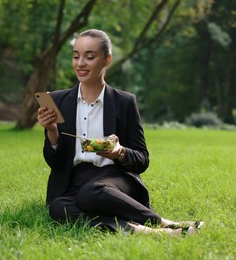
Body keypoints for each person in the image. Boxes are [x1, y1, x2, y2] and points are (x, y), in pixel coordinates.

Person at [36, 29, 202, 236]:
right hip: (73, 181)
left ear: (107, 60)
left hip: (114, 179)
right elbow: (56, 163)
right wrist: (51, 130)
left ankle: (163, 222)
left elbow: (142, 159)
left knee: (91, 193)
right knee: (58, 208)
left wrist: (120, 152)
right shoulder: (58, 101)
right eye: (76, 56)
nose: (80, 63)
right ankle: (147, 232)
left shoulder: (124, 102)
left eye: (89, 56)